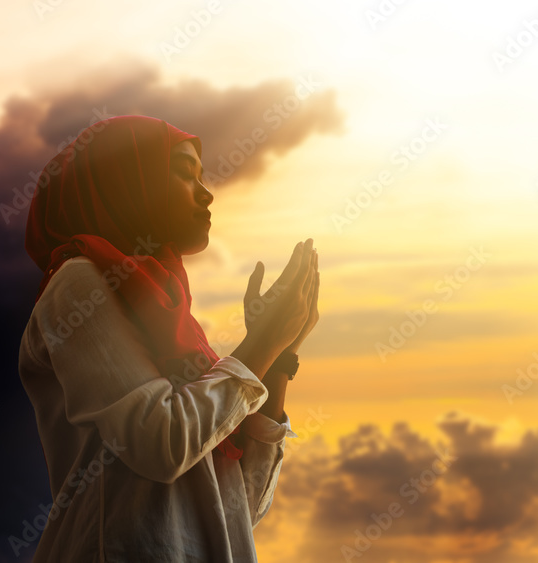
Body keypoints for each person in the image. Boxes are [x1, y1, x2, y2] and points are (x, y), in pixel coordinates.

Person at [17, 114, 320, 562]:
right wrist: (263, 344)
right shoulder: (77, 283)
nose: (206, 191)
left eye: (203, 175)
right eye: (183, 172)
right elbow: (160, 441)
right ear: (124, 182)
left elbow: (243, 505)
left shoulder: (170, 320)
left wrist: (278, 357)